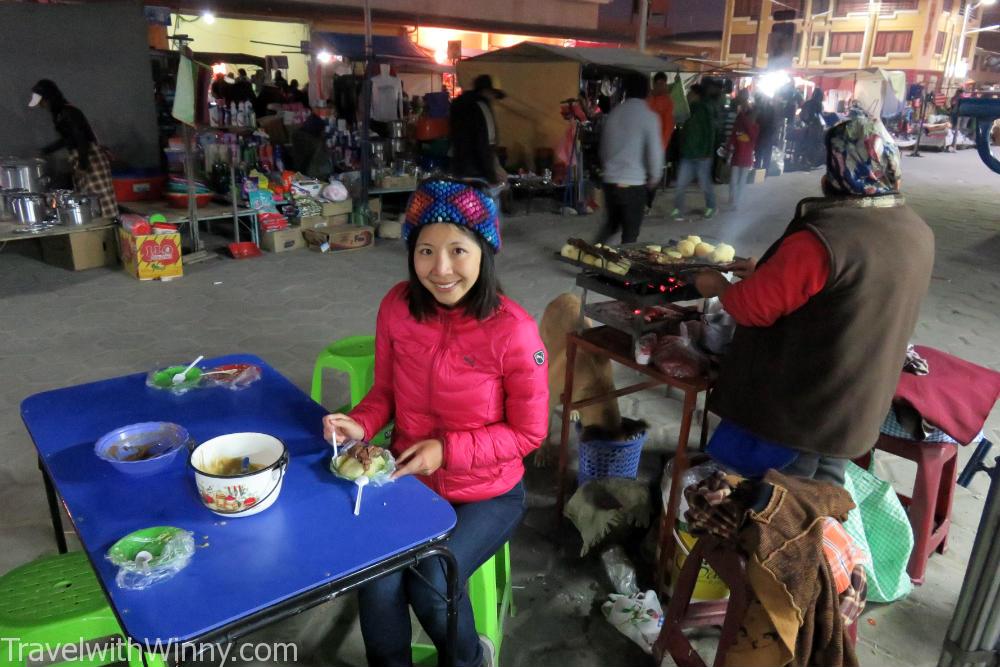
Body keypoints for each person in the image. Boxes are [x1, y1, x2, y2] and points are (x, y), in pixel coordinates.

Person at [322, 179, 549, 667]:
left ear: (485, 251)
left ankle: (468, 659)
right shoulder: (398, 307)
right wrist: (358, 426)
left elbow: (529, 433)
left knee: (431, 576)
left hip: (488, 492)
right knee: (377, 578)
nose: (440, 269)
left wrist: (447, 451)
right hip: (412, 479)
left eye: (457, 250)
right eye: (426, 250)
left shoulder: (515, 331)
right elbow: (384, 393)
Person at [692, 108, 935, 486]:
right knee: (820, 500)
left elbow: (750, 308)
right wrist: (768, 276)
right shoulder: (917, 231)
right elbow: (843, 294)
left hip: (799, 413)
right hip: (855, 404)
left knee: (771, 512)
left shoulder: (823, 241)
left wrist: (718, 287)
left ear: (836, 172)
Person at [29, 79, 117, 217]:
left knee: (100, 200)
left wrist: (82, 165)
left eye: (41, 102)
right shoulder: (60, 114)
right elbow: (68, 139)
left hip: (90, 158)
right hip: (83, 157)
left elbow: (81, 139)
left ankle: (108, 229)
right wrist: (45, 150)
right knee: (88, 199)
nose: (41, 106)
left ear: (48, 98)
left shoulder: (68, 112)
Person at [594, 73, 663, 244]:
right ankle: (620, 268)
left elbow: (604, 149)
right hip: (633, 183)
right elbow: (654, 153)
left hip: (610, 182)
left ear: (625, 91)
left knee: (611, 225)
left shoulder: (614, 114)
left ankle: (593, 259)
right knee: (630, 235)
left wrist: (609, 169)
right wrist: (654, 177)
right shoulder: (650, 117)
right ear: (648, 92)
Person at [449, 74, 507, 185]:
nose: (493, 99)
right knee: (483, 201)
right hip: (478, 173)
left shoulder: (458, 105)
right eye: (493, 95)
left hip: (459, 169)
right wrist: (491, 176)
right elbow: (485, 144)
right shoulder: (482, 107)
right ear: (487, 92)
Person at [671, 83, 717, 220]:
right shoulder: (688, 109)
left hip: (702, 155)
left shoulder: (705, 109)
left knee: (704, 184)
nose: (688, 95)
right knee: (680, 184)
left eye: (690, 93)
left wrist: (707, 152)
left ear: (696, 95)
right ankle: (678, 209)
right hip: (688, 155)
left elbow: (711, 133)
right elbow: (684, 130)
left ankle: (711, 207)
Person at [646, 71, 675, 210]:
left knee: (653, 176)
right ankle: (643, 202)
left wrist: (661, 147)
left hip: (658, 146)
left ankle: (647, 204)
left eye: (662, 84)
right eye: (656, 84)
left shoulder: (668, 102)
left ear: (665, 85)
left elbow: (668, 127)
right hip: (645, 145)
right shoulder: (648, 99)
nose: (659, 87)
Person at [726, 97, 758, 210]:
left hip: (740, 157)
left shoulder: (751, 127)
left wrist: (742, 117)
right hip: (741, 157)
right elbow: (733, 138)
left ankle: (735, 201)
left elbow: (733, 137)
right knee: (738, 181)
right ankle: (735, 200)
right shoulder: (751, 127)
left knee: (736, 180)